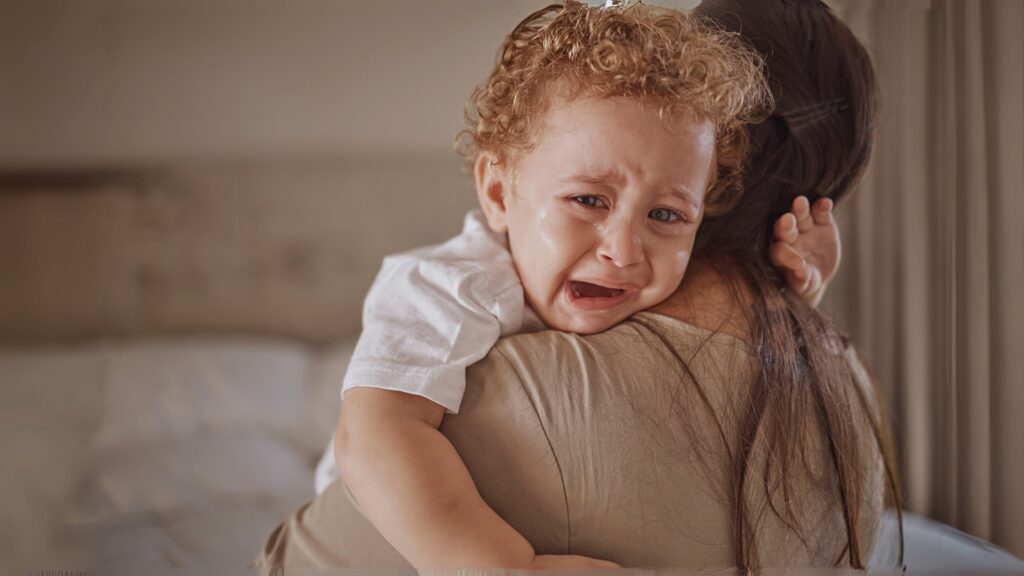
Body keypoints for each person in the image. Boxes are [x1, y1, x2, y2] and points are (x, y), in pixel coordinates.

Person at [259, 0, 893, 572]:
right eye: (588, 199)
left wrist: (795, 293)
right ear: (500, 192)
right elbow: (373, 433)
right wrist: (504, 566)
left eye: (667, 215)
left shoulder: (622, 284)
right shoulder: (447, 287)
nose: (623, 249)